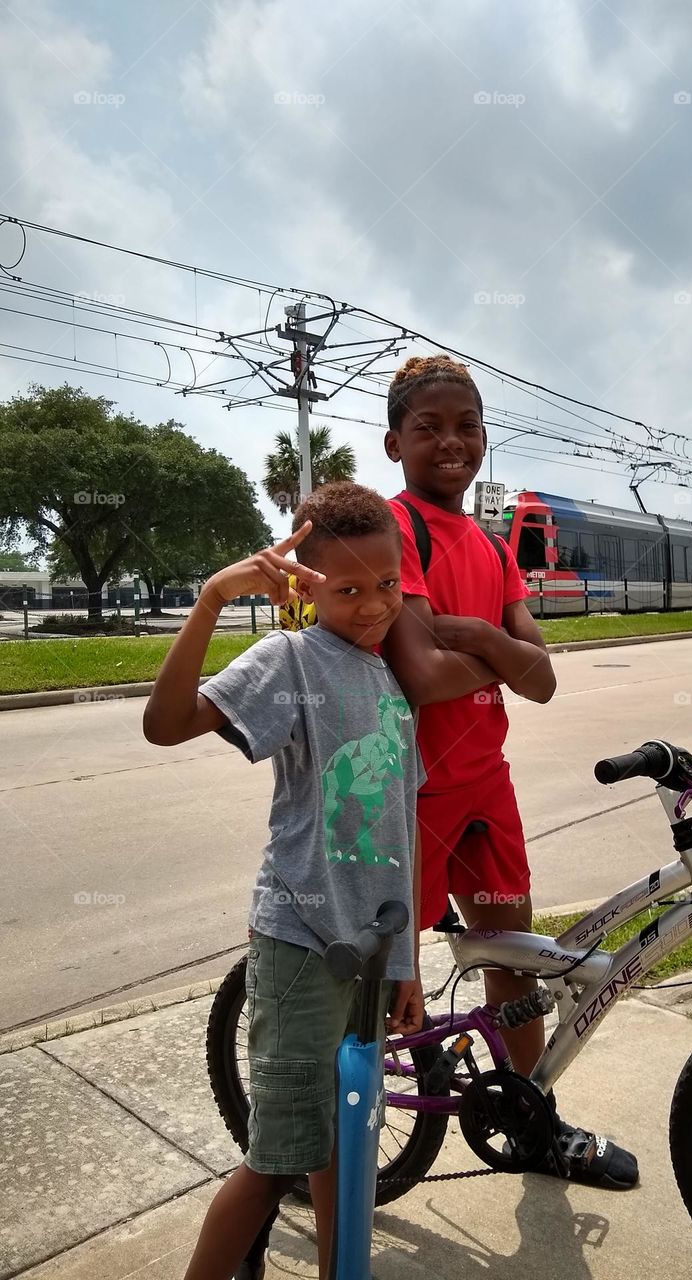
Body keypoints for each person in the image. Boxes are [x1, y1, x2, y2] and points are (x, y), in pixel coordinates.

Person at [142, 482, 423, 1280]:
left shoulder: (386, 682)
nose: (373, 606)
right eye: (348, 589)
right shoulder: (290, 660)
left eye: (387, 586)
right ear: (305, 583)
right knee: (279, 1158)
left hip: (369, 963)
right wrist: (211, 599)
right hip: (301, 948)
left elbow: (403, 828)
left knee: (343, 1140)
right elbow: (165, 725)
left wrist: (404, 967)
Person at [381, 354, 638, 1190]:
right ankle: (330, 1125)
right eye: (430, 428)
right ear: (396, 443)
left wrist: (484, 641)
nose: (450, 441)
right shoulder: (395, 529)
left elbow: (546, 678)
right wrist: (509, 655)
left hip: (485, 786)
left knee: (514, 962)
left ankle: (530, 1119)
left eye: (466, 427)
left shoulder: (493, 550)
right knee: (388, 977)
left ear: (485, 438)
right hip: (406, 792)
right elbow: (420, 674)